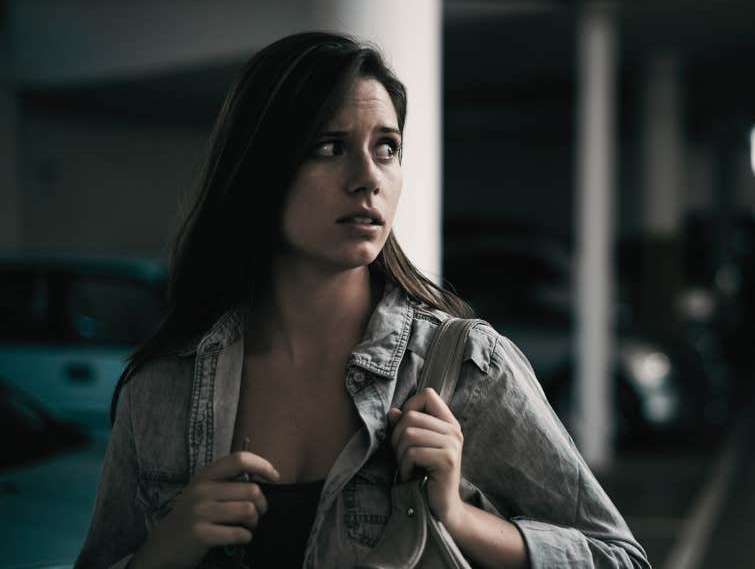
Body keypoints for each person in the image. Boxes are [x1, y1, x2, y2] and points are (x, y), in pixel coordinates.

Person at [75, 32, 649, 569]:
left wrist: (456, 518)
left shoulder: (462, 366)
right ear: (258, 168)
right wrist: (163, 553)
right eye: (329, 147)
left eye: (387, 148)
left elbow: (619, 557)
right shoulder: (164, 387)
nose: (368, 178)